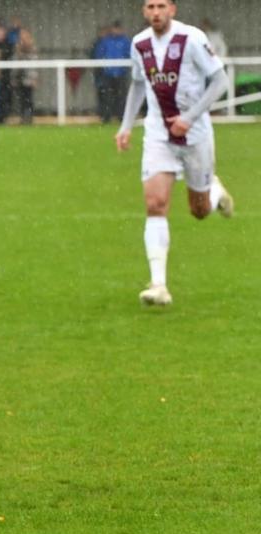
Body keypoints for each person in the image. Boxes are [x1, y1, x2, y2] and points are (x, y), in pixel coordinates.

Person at [115, 0, 234, 306]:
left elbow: (220, 80)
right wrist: (126, 126)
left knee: (199, 211)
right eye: (150, 6)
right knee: (155, 203)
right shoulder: (139, 44)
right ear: (144, 11)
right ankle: (158, 285)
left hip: (195, 136)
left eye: (161, 6)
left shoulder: (192, 38)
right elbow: (138, 85)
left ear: (173, 9)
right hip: (158, 135)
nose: (156, 12)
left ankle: (214, 191)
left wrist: (190, 117)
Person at [93, 21, 132, 123]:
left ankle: (121, 117)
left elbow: (130, 54)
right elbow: (99, 54)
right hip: (107, 73)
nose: (116, 31)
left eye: (118, 28)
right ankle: (106, 117)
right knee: (107, 96)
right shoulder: (106, 41)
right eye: (114, 28)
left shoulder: (125, 41)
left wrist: (124, 68)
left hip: (121, 73)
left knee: (121, 96)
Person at [12, 29, 38, 124]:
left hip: (28, 78)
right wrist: (14, 78)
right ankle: (23, 118)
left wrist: (34, 78)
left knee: (29, 99)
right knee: (21, 100)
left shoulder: (32, 48)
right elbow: (15, 63)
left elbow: (34, 65)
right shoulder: (18, 47)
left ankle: (29, 118)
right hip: (20, 77)